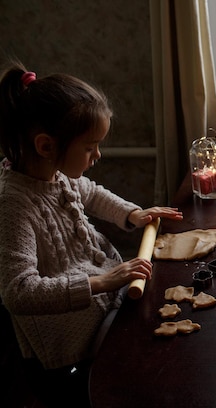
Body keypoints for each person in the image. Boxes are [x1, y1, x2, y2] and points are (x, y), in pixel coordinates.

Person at [0, 61, 183, 407]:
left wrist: (132, 213)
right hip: (68, 347)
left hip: (102, 304)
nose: (97, 155)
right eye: (90, 147)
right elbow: (17, 291)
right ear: (45, 145)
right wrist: (103, 281)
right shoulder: (14, 204)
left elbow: (92, 192)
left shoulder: (54, 172)